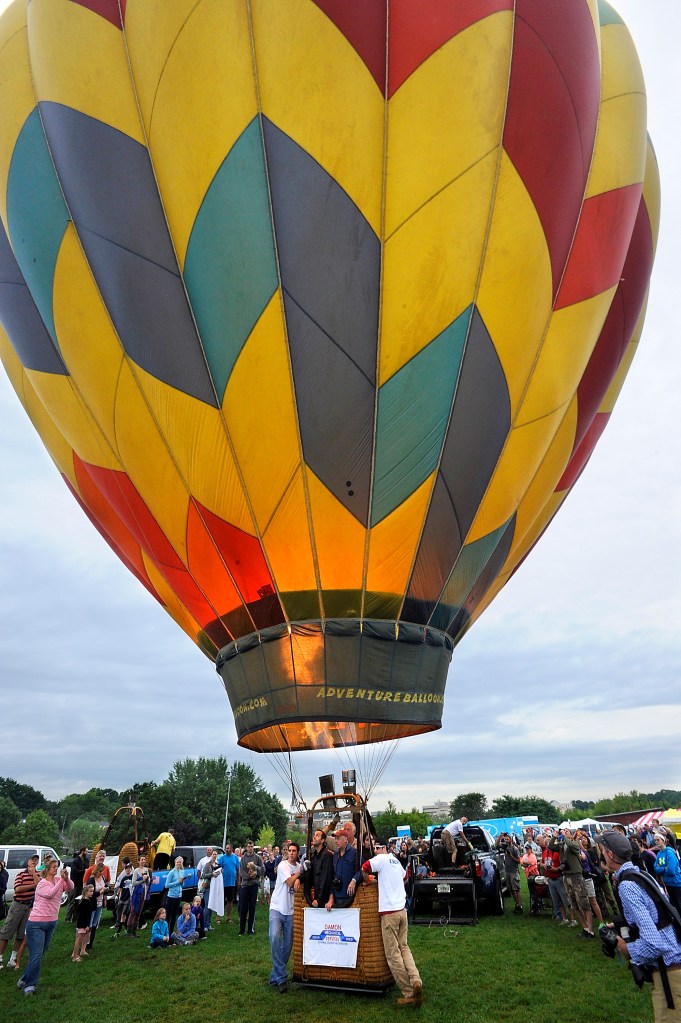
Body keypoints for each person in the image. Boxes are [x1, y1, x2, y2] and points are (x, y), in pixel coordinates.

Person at [598, 830, 681, 1023]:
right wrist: (621, 924)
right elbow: (658, 914)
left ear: (610, 854)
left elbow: (654, 944)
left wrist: (626, 948)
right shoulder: (640, 874)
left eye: (602, 850)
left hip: (669, 973)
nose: (600, 855)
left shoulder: (627, 885)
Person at [362, 844, 423, 1007]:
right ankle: (416, 980)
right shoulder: (396, 861)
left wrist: (367, 879)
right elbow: (404, 877)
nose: (374, 850)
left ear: (383, 848)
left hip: (389, 913)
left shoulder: (380, 859)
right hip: (402, 910)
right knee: (404, 947)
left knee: (392, 953)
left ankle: (409, 992)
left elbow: (365, 867)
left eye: (377, 847)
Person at [17, 857, 73, 996]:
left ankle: (24, 979)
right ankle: (30, 986)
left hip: (51, 922)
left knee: (40, 954)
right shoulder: (42, 883)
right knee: (36, 955)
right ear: (47, 870)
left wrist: (66, 878)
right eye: (54, 867)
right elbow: (50, 894)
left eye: (57, 867)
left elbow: (71, 887)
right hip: (36, 924)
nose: (56, 869)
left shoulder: (58, 881)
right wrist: (61, 880)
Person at [268, 841, 301, 993]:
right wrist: (300, 874)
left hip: (291, 911)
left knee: (287, 946)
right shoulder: (283, 866)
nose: (291, 853)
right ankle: (282, 978)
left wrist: (300, 876)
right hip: (277, 907)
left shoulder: (299, 867)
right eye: (289, 850)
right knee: (274, 937)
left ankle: (275, 975)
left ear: (298, 852)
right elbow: (289, 882)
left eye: (294, 850)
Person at [549, 827, 595, 938]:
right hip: (566, 876)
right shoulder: (561, 845)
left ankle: (591, 930)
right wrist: (555, 835)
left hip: (576, 876)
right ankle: (585, 928)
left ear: (571, 834)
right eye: (563, 831)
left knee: (584, 903)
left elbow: (572, 846)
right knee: (574, 904)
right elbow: (550, 846)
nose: (564, 832)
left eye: (567, 831)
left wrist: (565, 837)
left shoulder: (574, 844)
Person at [0, 851, 39, 971]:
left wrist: (33, 876)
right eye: (32, 859)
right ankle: (0, 958)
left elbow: (39, 885)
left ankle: (13, 959)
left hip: (29, 907)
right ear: (28, 862)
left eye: (36, 860)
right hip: (17, 906)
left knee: (21, 935)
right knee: (7, 932)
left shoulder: (37, 874)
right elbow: (18, 889)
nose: (34, 861)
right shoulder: (21, 874)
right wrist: (32, 885)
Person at [327, 829, 361, 909]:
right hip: (337, 895)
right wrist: (331, 898)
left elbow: (362, 870)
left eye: (338, 838)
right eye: (335, 839)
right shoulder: (335, 854)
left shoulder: (354, 853)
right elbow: (333, 875)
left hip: (351, 897)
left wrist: (354, 880)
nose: (336, 841)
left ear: (345, 839)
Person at [301, 829, 334, 909]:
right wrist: (299, 879)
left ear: (322, 840)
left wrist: (319, 899)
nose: (314, 837)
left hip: (324, 899)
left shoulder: (327, 855)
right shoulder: (314, 856)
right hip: (317, 895)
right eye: (314, 835)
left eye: (317, 835)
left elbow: (325, 878)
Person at [239, 840, 264, 935]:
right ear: (246, 847)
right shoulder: (243, 858)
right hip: (245, 885)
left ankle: (250, 929)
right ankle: (242, 929)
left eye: (252, 846)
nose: (250, 848)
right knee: (243, 907)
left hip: (254, 885)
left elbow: (262, 870)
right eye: (249, 846)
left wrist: (255, 870)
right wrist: (249, 876)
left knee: (252, 907)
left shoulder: (257, 858)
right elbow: (241, 872)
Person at [654, 833, 681, 913]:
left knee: (679, 905)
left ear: (663, 840)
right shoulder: (659, 854)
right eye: (655, 840)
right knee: (674, 906)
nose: (656, 842)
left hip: (676, 883)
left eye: (658, 840)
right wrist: (664, 868)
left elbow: (671, 871)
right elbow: (655, 868)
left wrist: (660, 869)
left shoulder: (669, 852)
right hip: (667, 884)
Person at [496, 833, 523, 914]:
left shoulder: (515, 849)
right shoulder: (505, 847)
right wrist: (500, 836)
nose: (506, 840)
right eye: (505, 839)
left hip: (513, 871)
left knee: (516, 889)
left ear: (511, 839)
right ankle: (517, 905)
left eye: (507, 839)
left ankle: (520, 906)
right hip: (507, 871)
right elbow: (496, 844)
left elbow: (519, 861)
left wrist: (511, 856)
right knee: (511, 889)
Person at [126, 854, 151, 937]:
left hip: (143, 892)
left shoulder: (146, 870)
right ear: (139, 861)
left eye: (144, 859)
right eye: (142, 859)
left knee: (139, 912)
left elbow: (148, 882)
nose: (143, 861)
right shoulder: (136, 871)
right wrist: (142, 880)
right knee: (133, 911)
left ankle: (134, 931)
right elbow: (133, 883)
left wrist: (147, 879)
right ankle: (129, 931)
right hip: (135, 893)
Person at [164, 856, 189, 936]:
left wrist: (182, 882)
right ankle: (166, 932)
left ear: (182, 863)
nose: (179, 863)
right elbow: (166, 885)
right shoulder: (172, 872)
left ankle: (171, 932)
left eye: (180, 862)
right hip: (171, 896)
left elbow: (182, 885)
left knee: (175, 915)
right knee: (168, 915)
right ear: (175, 863)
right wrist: (178, 882)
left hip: (179, 896)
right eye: (177, 862)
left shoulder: (182, 872)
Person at [64, 848, 88, 923]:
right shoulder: (75, 861)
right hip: (74, 883)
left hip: (82, 883)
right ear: (82, 851)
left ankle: (76, 917)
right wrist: (84, 871)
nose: (87, 853)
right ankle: (68, 918)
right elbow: (74, 871)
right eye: (86, 851)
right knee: (71, 901)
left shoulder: (86, 860)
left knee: (79, 901)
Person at [71, 883, 94, 962]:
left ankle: (75, 954)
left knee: (78, 939)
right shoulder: (85, 902)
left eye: (92, 891)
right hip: (82, 925)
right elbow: (83, 915)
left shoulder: (85, 901)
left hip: (81, 924)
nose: (92, 893)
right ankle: (75, 957)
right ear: (85, 892)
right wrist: (85, 925)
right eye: (90, 891)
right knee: (79, 940)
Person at [218, 843, 240, 923]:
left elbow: (238, 870)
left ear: (231, 849)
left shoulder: (235, 858)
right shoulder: (222, 858)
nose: (226, 850)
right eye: (226, 848)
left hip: (232, 883)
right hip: (223, 883)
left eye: (228, 848)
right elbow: (217, 868)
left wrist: (238, 882)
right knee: (221, 900)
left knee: (230, 901)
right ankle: (219, 918)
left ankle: (228, 918)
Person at [202, 850, 224, 930]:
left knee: (211, 906)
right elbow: (203, 875)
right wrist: (212, 874)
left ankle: (209, 924)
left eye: (216, 854)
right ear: (211, 855)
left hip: (215, 888)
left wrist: (221, 872)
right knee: (207, 905)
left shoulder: (218, 864)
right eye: (213, 854)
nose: (214, 855)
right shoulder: (207, 865)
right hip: (208, 888)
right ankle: (204, 924)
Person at [113, 862, 134, 934]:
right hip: (122, 898)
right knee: (119, 912)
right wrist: (117, 895)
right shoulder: (123, 878)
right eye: (126, 869)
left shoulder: (133, 877)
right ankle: (125, 928)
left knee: (124, 914)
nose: (128, 870)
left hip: (128, 898)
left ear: (131, 869)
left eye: (129, 869)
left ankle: (118, 931)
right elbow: (120, 888)